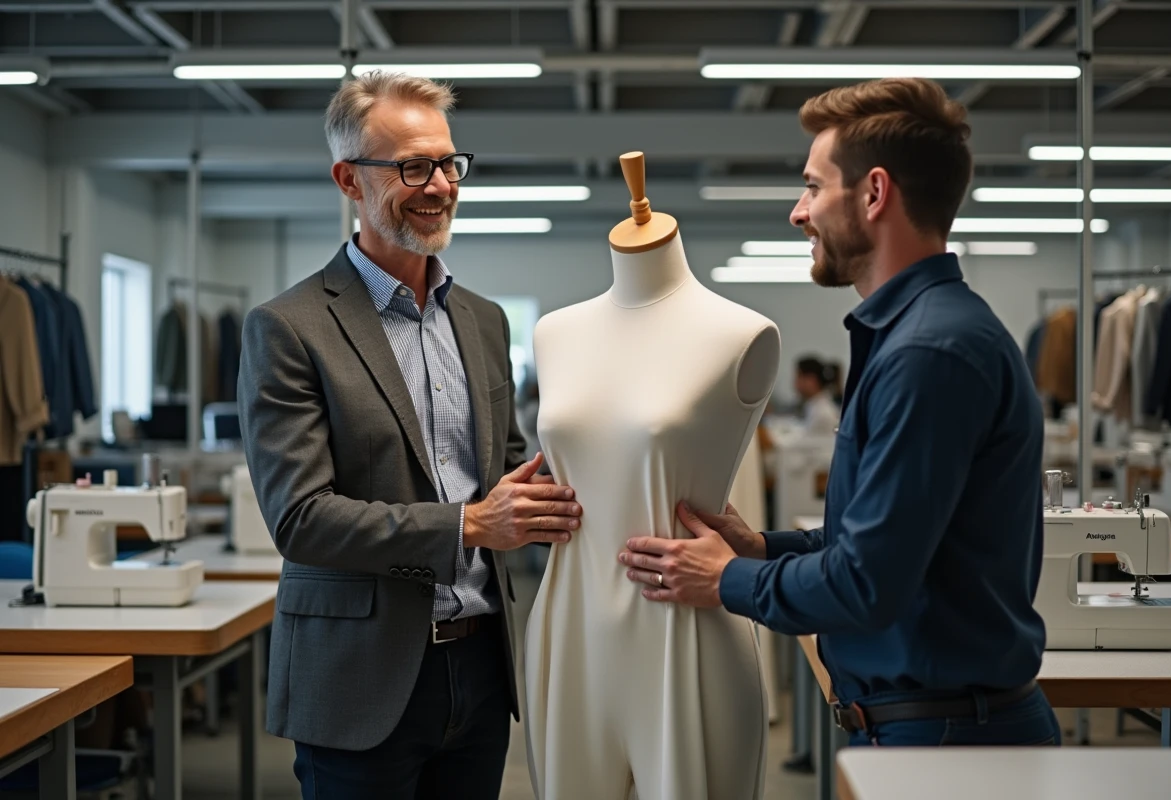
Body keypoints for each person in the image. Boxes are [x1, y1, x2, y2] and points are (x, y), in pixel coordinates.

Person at [619, 77, 1058, 747]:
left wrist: (725, 578)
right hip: (932, 726)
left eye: (813, 187)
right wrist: (762, 548)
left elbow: (865, 583)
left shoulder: (930, 353)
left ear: (875, 193)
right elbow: (888, 541)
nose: (799, 213)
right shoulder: (916, 337)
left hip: (946, 738)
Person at [237, 71, 583, 799]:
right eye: (412, 168)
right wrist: (470, 525)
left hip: (481, 667)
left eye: (449, 164)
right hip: (359, 675)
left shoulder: (483, 321)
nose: (441, 186)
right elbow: (301, 519)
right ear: (349, 180)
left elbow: (505, 470)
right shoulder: (290, 328)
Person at [794, 355, 840, 434]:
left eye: (798, 376)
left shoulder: (822, 413)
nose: (795, 382)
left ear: (812, 380)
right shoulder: (814, 406)